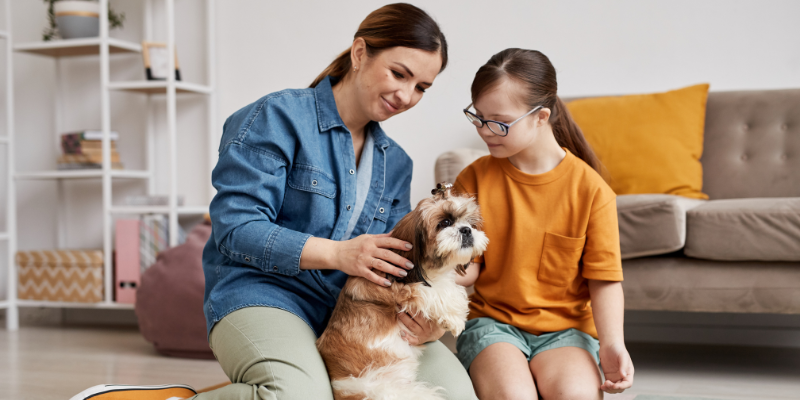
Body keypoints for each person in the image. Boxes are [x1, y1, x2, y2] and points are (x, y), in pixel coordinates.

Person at [453, 48, 634, 400]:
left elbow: (604, 280)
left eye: (499, 122)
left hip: (567, 331)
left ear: (540, 117)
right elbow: (469, 271)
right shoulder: (472, 179)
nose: (485, 131)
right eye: (478, 117)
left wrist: (614, 345)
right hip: (492, 325)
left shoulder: (591, 190)